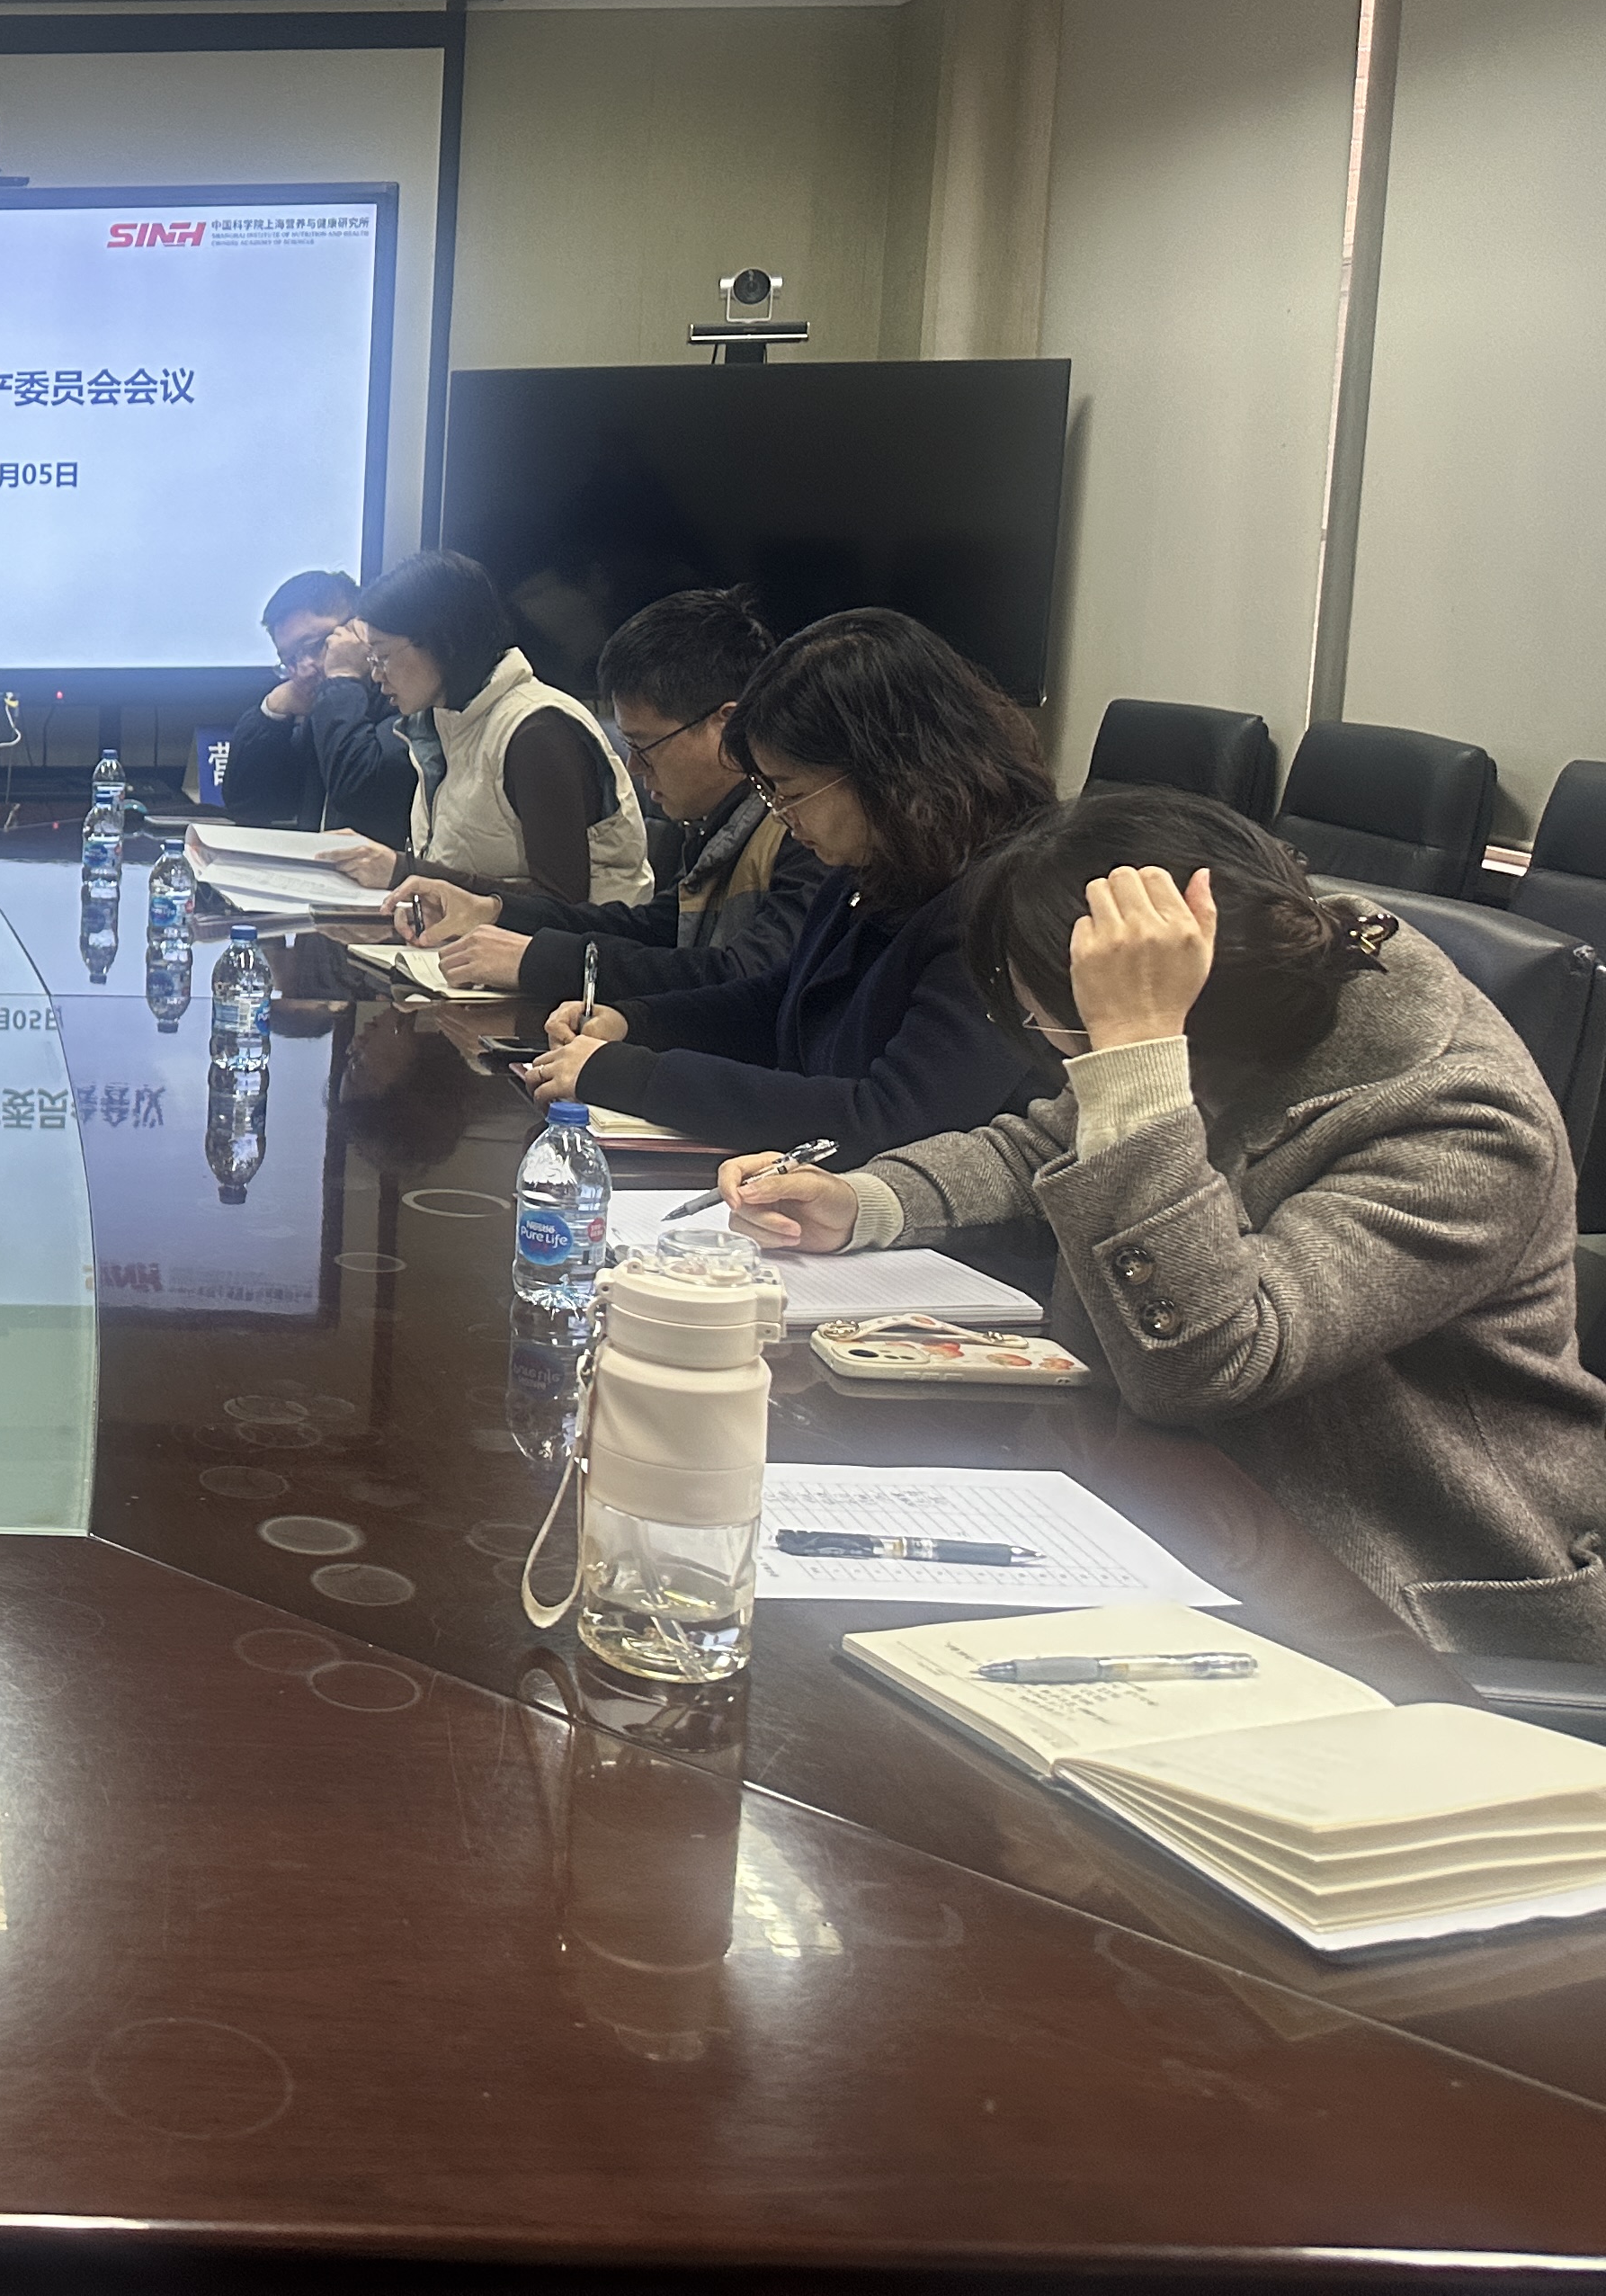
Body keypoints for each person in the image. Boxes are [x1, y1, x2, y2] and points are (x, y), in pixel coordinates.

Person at [723, 790, 1606, 1657]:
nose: (1042, 1042)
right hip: (1188, 1506)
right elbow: (1054, 1139)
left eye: (1053, 1024)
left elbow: (1213, 1360)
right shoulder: (1241, 1022)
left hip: (1402, 1591)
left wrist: (1134, 1061)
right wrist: (868, 1201)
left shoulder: (1464, 1126)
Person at [522, 608, 1048, 1159]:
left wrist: (636, 1078)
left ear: (887, 772)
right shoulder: (873, 864)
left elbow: (890, 1118)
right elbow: (782, 1000)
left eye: (790, 792)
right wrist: (634, 1023)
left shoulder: (1001, 907)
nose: (781, 814)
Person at [394, 585, 824, 998]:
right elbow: (656, 927)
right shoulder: (724, 823)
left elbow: (748, 976)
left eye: (644, 745)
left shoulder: (802, 832)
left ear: (725, 726)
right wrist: (493, 910)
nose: (634, 767)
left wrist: (542, 962)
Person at [350, 549, 651, 905]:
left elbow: (562, 902)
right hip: (473, 933)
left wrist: (407, 871)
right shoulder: (446, 722)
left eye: (383, 656)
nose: (376, 674)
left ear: (444, 641)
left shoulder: (537, 731)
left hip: (579, 939)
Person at [221, 568, 415, 842]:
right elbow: (250, 806)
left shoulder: (406, 696)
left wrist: (341, 680)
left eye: (312, 647)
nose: (303, 669)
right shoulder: (325, 706)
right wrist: (271, 713)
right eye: (290, 660)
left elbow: (362, 794)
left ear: (359, 629)